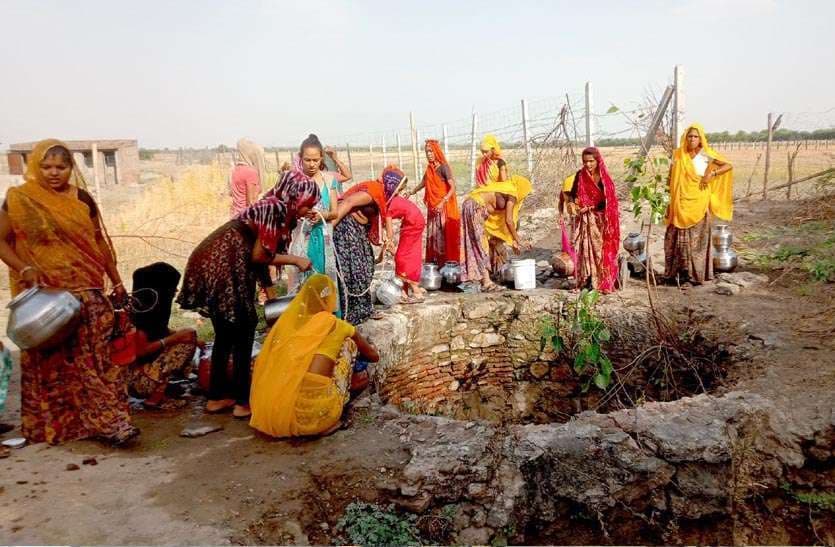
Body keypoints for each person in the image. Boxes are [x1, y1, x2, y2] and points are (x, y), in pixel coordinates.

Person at [0, 139, 137, 445]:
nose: (53, 173)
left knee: (95, 362)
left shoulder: (82, 199)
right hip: (44, 297)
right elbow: (2, 241)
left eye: (61, 167)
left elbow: (99, 242)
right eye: (46, 166)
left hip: (87, 291)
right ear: (34, 167)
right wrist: (24, 268)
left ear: (71, 169)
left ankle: (110, 422)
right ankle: (69, 426)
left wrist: (115, 281)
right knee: (52, 364)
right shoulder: (19, 200)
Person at [177, 179, 320, 418]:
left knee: (227, 330)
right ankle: (243, 402)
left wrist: (270, 290)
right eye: (307, 205)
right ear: (296, 197)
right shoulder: (275, 209)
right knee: (243, 326)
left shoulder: (274, 208)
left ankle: (217, 397)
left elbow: (260, 252)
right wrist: (295, 260)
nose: (309, 211)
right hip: (224, 261)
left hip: (218, 259)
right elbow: (260, 255)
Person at [249, 274, 379, 438]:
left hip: (275, 411)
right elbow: (374, 357)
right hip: (317, 417)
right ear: (330, 298)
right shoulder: (336, 324)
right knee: (349, 345)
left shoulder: (287, 325)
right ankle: (329, 411)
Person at [275, 135, 345, 303]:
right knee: (302, 286)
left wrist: (322, 216)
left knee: (324, 285)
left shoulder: (329, 181)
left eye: (315, 160)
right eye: (307, 160)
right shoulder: (292, 182)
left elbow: (334, 212)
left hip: (323, 241)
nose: (312, 164)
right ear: (301, 158)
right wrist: (299, 214)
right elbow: (280, 211)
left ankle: (326, 323)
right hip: (300, 241)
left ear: (321, 158)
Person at [665, 124, 734, 284]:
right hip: (679, 201)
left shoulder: (705, 154)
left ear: (701, 138)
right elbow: (670, 179)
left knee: (697, 240)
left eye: (696, 136)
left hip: (699, 200)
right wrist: (668, 201)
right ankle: (676, 274)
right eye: (690, 136)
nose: (692, 139)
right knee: (675, 239)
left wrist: (712, 173)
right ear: (685, 138)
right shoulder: (678, 154)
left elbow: (728, 165)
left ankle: (695, 276)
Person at [128, 262, 199, 409]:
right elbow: (140, 351)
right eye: (172, 286)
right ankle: (154, 398)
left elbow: (159, 330)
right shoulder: (141, 318)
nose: (176, 290)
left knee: (189, 335)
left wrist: (181, 334)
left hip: (137, 377)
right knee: (184, 344)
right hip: (137, 379)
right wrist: (173, 339)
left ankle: (158, 389)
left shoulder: (145, 310)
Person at [460, 163, 532, 291]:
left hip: (469, 204)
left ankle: (477, 278)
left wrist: (512, 240)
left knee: (473, 244)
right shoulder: (512, 194)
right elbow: (509, 220)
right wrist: (518, 240)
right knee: (481, 245)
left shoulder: (505, 188)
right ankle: (486, 282)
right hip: (476, 206)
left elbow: (498, 220)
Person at [561, 147, 621, 293]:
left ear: (597, 160)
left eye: (591, 161)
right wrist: (572, 204)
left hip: (600, 220)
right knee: (585, 251)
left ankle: (602, 281)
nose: (588, 164)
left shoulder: (604, 178)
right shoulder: (580, 176)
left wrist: (590, 207)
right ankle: (587, 281)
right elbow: (574, 194)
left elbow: (609, 201)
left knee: (599, 251)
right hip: (585, 220)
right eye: (585, 161)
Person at [471, 134, 534, 272]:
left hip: (493, 202)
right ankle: (493, 270)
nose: (484, 154)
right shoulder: (481, 162)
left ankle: (495, 269)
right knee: (495, 235)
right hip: (492, 202)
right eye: (482, 152)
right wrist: (517, 240)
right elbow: (504, 185)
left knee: (493, 238)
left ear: (494, 149)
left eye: (486, 151)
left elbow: (502, 182)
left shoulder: (500, 163)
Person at [332, 176, 389, 324]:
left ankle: (363, 308)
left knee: (365, 265)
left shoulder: (380, 195)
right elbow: (348, 202)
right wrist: (330, 226)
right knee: (352, 270)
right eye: (399, 189)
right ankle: (350, 311)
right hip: (346, 229)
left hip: (357, 230)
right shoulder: (372, 191)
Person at [408, 140, 460, 264]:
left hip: (443, 208)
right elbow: (423, 183)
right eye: (427, 152)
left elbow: (453, 187)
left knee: (443, 236)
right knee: (434, 237)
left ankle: (447, 263)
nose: (429, 154)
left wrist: (443, 202)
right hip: (433, 208)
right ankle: (436, 262)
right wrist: (411, 192)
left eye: (431, 151)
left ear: (436, 151)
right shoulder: (429, 169)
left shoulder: (444, 168)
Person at [381, 167, 425, 301]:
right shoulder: (390, 201)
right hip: (415, 221)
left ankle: (416, 290)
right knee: (409, 254)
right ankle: (404, 292)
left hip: (413, 223)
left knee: (401, 256)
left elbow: (389, 230)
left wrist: (389, 242)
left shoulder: (387, 204)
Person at [229, 138, 266, 217]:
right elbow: (251, 203)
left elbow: (232, 194)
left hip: (234, 215)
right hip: (245, 218)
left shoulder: (234, 170)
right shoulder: (251, 173)